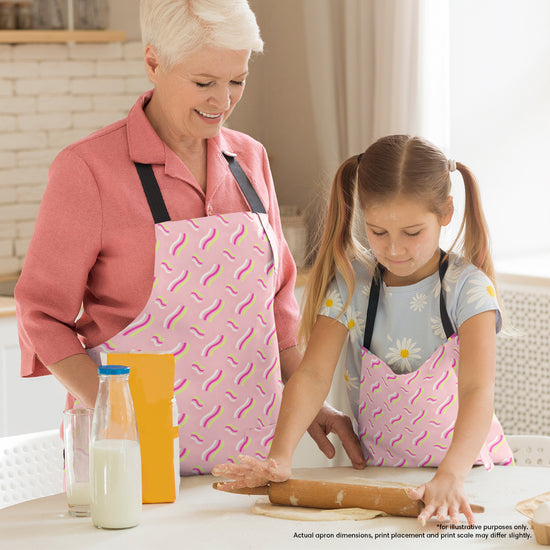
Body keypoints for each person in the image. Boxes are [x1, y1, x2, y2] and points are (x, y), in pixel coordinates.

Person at [15, 0, 362, 475]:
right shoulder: (88, 170)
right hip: (130, 454)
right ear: (153, 62)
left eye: (237, 80)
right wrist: (113, 408)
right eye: (204, 83)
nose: (223, 100)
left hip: (251, 459)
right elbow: (41, 314)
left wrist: (307, 401)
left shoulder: (250, 160)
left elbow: (277, 303)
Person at [213, 134, 514, 523]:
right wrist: (280, 456)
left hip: (467, 479)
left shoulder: (468, 290)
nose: (394, 249)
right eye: (377, 231)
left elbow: (477, 391)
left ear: (446, 212)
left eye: (412, 232)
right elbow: (312, 375)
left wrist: (451, 475)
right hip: (383, 481)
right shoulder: (354, 284)